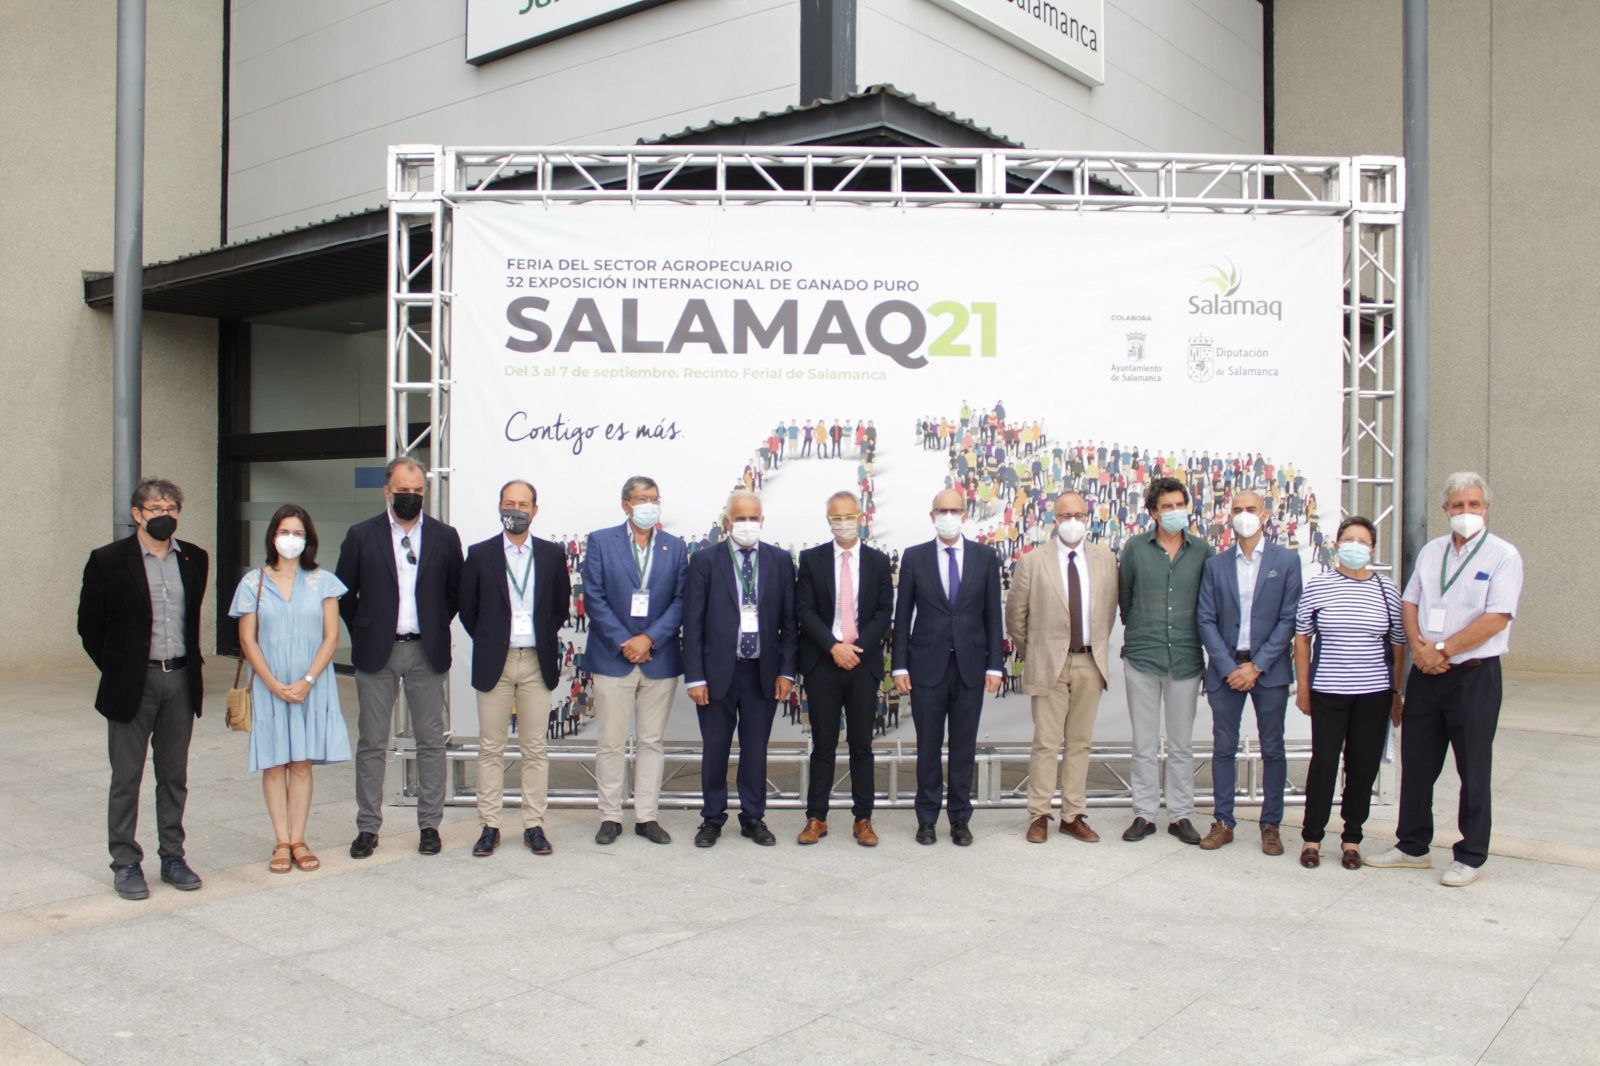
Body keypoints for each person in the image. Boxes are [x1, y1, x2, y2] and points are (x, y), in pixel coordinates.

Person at [1367, 473, 1522, 887]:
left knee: (1473, 767)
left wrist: (1443, 650)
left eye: (1473, 505)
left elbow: (1496, 618)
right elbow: (1411, 600)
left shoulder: (1503, 556)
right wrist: (1421, 651)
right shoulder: (1432, 551)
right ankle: (1412, 845)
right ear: (1445, 510)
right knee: (1416, 762)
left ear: (1486, 508)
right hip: (1426, 674)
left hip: (1473, 676)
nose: (1465, 513)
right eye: (1457, 506)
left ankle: (1471, 854)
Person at [77, 478, 209, 900]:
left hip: (181, 680)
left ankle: (173, 856)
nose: (164, 515)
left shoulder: (194, 558)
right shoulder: (108, 560)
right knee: (127, 776)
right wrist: (120, 668)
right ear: (137, 514)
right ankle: (125, 861)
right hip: (134, 682)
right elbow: (89, 625)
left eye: (171, 508)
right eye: (155, 509)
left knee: (174, 775)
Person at [335, 455, 463, 859]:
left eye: (418, 491)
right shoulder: (361, 535)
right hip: (379, 652)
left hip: (426, 650)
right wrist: (368, 628)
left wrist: (434, 622)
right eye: (403, 490)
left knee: (430, 741)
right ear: (387, 491)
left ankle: (429, 825)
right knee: (373, 742)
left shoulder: (444, 536)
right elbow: (344, 593)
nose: (411, 497)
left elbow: (454, 592)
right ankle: (368, 827)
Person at [229, 504, 351, 873]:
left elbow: (331, 637)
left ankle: (299, 839)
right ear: (272, 536)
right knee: (274, 763)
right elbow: (248, 640)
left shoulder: (324, 582)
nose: (291, 539)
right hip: (270, 683)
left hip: (311, 683)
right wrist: (272, 683)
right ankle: (281, 841)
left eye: (298, 533)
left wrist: (307, 681)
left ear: (308, 539)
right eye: (285, 532)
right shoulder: (254, 582)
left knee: (300, 763)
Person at [459, 480, 570, 858]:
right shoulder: (479, 554)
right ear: (499, 508)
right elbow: (468, 611)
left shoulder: (553, 555)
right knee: (491, 748)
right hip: (497, 661)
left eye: (524, 504)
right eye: (510, 503)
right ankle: (489, 825)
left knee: (535, 748)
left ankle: (533, 825)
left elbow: (559, 606)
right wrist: (494, 640)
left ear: (535, 511)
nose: (516, 510)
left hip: (536, 661)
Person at [682, 490, 797, 846]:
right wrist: (696, 676)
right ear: (727, 522)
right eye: (740, 518)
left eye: (754, 518)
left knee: (755, 749)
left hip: (762, 672)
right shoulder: (705, 561)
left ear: (762, 522)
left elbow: (789, 623)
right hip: (717, 673)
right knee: (715, 748)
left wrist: (786, 672)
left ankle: (753, 817)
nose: (747, 524)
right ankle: (712, 819)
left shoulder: (779, 561)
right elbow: (693, 623)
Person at [891, 489, 1004, 845]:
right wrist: (899, 666)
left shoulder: (985, 557)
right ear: (932, 515)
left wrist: (996, 666)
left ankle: (959, 818)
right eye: (942, 510)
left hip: (971, 667)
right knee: (927, 745)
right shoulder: (915, 557)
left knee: (963, 746)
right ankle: (926, 818)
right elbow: (902, 615)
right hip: (926, 666)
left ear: (965, 514)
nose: (949, 516)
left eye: (955, 510)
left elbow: (992, 615)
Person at [1005, 492, 1118, 844]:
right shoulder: (1033, 561)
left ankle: (1073, 814)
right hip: (1049, 664)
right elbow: (1016, 618)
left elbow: (1108, 612)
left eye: (1079, 514)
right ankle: (1039, 814)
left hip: (1090, 661)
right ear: (1054, 519)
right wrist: (1038, 650)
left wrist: (1091, 646)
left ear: (1088, 518)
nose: (1073, 521)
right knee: (1046, 743)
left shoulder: (1105, 559)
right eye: (1065, 515)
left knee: (1080, 742)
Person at [580, 476, 688, 845]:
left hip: (659, 658)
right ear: (625, 504)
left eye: (654, 498)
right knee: (610, 741)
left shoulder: (674, 547)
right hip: (613, 656)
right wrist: (626, 641)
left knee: (651, 741)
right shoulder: (600, 542)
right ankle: (610, 815)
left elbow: (681, 599)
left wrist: (649, 639)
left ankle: (646, 816)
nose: (649, 504)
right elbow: (593, 596)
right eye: (642, 498)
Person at [1293, 516, 1405, 869]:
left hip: (1373, 694)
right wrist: (1304, 687)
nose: (1355, 546)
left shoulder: (1387, 590)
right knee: (1324, 763)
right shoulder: (1319, 586)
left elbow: (1398, 644)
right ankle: (1312, 837)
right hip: (1329, 690)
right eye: (1349, 539)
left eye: (1363, 541)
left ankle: (1352, 839)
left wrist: (1396, 692)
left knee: (1363, 766)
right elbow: (1301, 638)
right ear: (1337, 544)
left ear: (1372, 549)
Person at [1195, 490, 1303, 854]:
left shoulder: (1286, 561)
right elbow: (1205, 620)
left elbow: (1290, 618)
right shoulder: (1215, 564)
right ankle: (1223, 821)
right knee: (1223, 748)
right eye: (1238, 510)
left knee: (1273, 748)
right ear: (1230, 516)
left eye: (1251, 509)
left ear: (1266, 514)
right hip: (1226, 670)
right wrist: (1230, 668)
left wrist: (1256, 666)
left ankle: (1270, 824)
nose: (1244, 515)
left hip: (1268, 671)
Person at [1118, 476, 1215, 844]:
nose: (1175, 512)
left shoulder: (1203, 551)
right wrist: (1144, 630)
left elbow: (1209, 603)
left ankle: (1180, 815)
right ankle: (1143, 814)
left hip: (1187, 658)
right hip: (1143, 656)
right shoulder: (1135, 549)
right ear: (1153, 513)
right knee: (1143, 743)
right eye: (1167, 506)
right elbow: (1125, 600)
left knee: (1181, 744)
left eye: (1180, 505)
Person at [795, 491, 894, 846]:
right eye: (835, 518)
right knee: (822, 744)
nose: (843, 524)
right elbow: (804, 609)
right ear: (828, 521)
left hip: (862, 664)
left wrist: (856, 649)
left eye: (848, 517)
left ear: (861, 517)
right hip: (824, 662)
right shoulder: (811, 559)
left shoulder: (879, 562)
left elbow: (884, 612)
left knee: (861, 745)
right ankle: (816, 818)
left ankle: (863, 819)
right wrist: (834, 647)